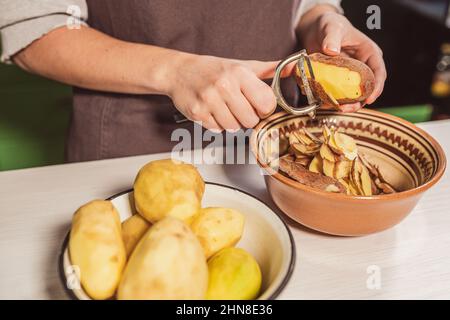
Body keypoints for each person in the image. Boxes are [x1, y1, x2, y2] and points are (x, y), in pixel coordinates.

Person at [0, 0, 386, 162]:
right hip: (129, 154)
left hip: (273, 155)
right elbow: (35, 27)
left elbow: (304, 5)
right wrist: (174, 72)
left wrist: (322, 22)